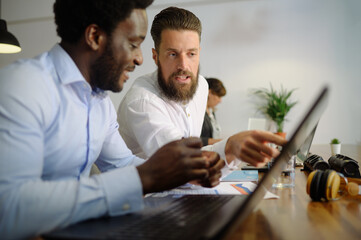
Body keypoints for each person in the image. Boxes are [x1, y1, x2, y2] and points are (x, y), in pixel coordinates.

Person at [0, 1, 225, 239]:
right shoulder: (23, 85)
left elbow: (120, 164)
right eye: (132, 44)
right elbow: (8, 209)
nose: (139, 59)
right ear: (95, 36)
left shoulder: (100, 102)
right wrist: (143, 177)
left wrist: (183, 172)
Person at [117, 6, 286, 168]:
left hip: (186, 190)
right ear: (156, 56)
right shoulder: (142, 101)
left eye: (191, 54)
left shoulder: (201, 87)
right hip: (147, 195)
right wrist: (230, 146)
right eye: (173, 54)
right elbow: (180, 161)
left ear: (199, 52)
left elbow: (193, 151)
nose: (183, 65)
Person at [200, 77, 226, 146]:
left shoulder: (211, 112)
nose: (220, 101)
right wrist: (217, 141)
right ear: (210, 93)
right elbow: (191, 139)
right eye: (219, 96)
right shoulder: (199, 113)